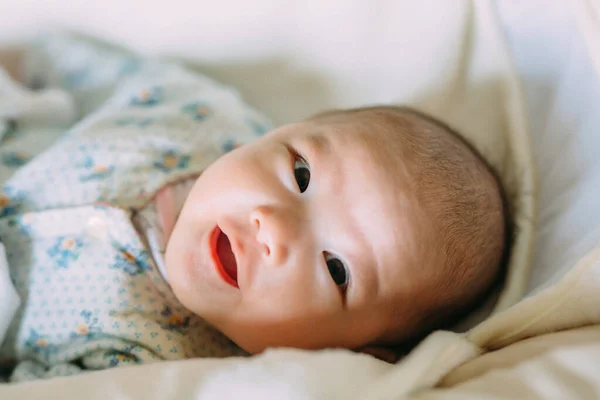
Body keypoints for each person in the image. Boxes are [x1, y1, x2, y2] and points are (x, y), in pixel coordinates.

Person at [0, 34, 507, 381]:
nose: (275, 229)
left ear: (347, 354)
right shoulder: (196, 116)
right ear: (279, 130)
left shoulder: (158, 369)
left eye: (336, 269)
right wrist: (22, 63)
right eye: (301, 174)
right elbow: (86, 67)